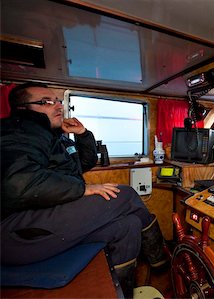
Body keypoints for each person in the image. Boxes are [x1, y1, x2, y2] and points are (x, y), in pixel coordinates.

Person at [1, 82, 165, 297]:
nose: (58, 106)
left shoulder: (54, 136)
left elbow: (84, 163)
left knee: (129, 225)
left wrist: (82, 134)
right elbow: (18, 183)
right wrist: (82, 189)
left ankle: (123, 292)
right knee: (125, 194)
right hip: (16, 232)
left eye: (58, 101)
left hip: (44, 222)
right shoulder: (19, 130)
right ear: (23, 108)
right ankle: (161, 263)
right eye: (46, 102)